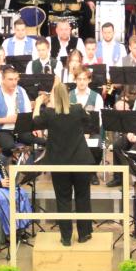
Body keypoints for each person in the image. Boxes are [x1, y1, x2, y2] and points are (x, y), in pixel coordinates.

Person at [32, 83, 95, 246]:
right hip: (81, 161)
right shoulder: (77, 109)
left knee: (63, 199)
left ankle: (66, 237)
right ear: (68, 95)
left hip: (59, 162)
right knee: (83, 197)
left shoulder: (49, 113)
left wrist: (38, 104)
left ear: (53, 96)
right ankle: (84, 234)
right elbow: (89, 120)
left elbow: (36, 121)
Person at [0, 67, 44, 156]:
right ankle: (6, 163)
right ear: (3, 80)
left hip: (20, 129)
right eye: (10, 79)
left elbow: (28, 114)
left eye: (16, 79)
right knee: (9, 146)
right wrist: (6, 120)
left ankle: (30, 164)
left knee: (41, 141)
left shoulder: (21, 91)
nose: (14, 82)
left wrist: (34, 128)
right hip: (1, 130)